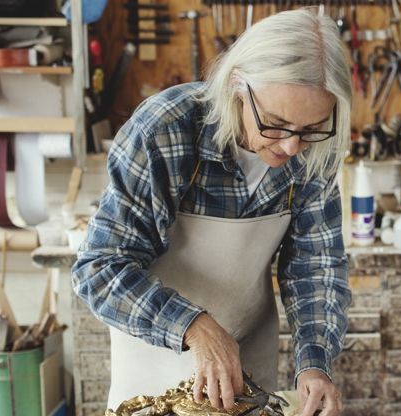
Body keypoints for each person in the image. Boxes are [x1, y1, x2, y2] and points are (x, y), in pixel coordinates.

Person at [72, 9, 352, 416]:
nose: (292, 148)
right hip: (152, 371)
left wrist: (314, 363)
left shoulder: (315, 154)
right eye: (276, 123)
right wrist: (196, 327)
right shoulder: (165, 130)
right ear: (238, 84)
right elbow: (99, 268)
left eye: (310, 129)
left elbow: (316, 267)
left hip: (246, 373)